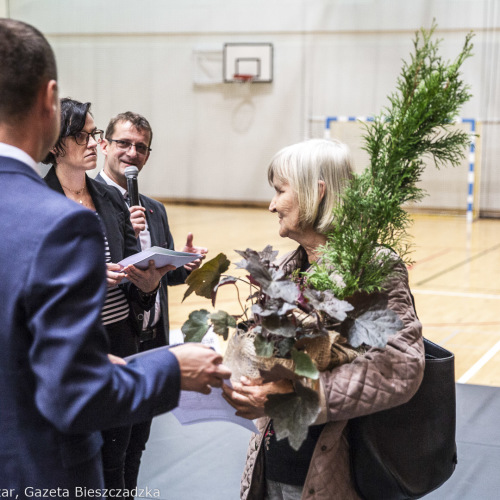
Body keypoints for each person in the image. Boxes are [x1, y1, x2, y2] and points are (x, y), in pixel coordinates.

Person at [0, 18, 230, 493]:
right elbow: (75, 394)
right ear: (48, 102)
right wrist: (173, 368)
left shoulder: (100, 206)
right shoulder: (59, 222)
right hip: (39, 470)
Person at [222, 138, 425, 500]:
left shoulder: (371, 267)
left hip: (333, 470)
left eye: (280, 191)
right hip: (272, 463)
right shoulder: (285, 268)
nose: (271, 205)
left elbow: (400, 366)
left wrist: (294, 399)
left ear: (316, 193)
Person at [42, 98, 175, 493]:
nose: (91, 142)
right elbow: (30, 282)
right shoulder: (40, 198)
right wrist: (86, 278)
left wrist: (150, 284)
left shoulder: (111, 199)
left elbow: (133, 271)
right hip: (76, 344)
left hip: (123, 335)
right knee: (84, 457)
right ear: (54, 144)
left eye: (93, 133)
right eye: (81, 135)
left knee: (124, 451)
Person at [95, 111, 208, 489]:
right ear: (105, 144)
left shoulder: (154, 208)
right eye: (124, 143)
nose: (132, 152)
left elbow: (161, 273)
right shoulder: (91, 204)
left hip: (153, 342)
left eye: (141, 147)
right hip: (115, 343)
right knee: (112, 447)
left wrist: (185, 266)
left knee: (137, 444)